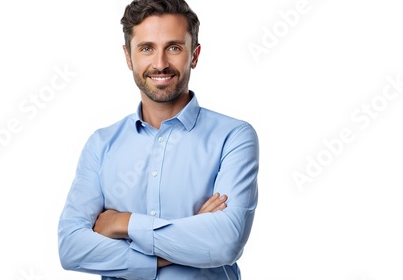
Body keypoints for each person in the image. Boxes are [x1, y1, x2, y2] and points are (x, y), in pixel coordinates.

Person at [58, 0, 259, 279]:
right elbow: (72, 249)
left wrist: (122, 223)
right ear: (129, 57)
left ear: (194, 55)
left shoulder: (233, 137)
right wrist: (188, 237)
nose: (160, 63)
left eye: (174, 48)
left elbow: (224, 243)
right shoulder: (101, 145)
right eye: (146, 48)